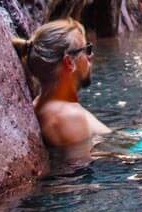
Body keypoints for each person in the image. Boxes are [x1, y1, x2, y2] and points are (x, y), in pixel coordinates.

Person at [12, 18, 112, 148]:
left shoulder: (45, 106)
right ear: (69, 62)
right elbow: (81, 165)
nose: (91, 55)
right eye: (87, 49)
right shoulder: (69, 118)